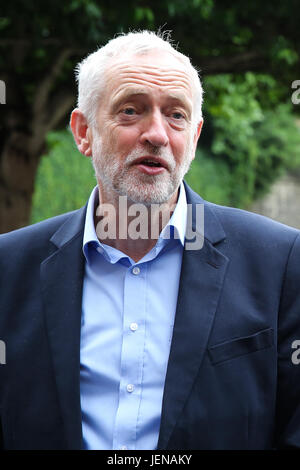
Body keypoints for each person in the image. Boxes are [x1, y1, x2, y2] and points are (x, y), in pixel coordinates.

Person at [0, 30, 300, 451]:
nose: (157, 133)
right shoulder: (9, 268)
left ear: (194, 138)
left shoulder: (281, 263)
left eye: (176, 115)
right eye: (130, 110)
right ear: (83, 132)